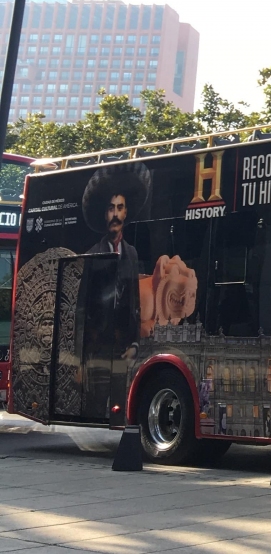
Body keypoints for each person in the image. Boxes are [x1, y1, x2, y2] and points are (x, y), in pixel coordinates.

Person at [76, 163, 151, 418]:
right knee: (95, 408)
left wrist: (134, 345)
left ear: (126, 212)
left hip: (121, 351)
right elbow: (81, 309)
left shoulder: (131, 253)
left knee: (119, 410)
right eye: (111, 208)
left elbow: (134, 304)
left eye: (120, 207)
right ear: (105, 214)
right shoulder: (92, 255)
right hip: (97, 351)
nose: (115, 214)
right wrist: (80, 360)